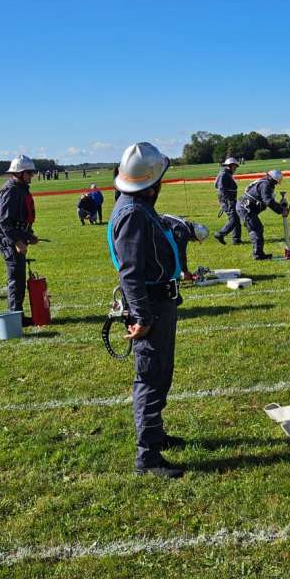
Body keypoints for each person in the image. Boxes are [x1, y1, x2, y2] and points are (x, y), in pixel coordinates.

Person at [108, 142, 185, 478]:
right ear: (152, 182)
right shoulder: (133, 212)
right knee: (151, 378)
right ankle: (148, 457)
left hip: (158, 301)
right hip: (150, 306)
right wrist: (142, 317)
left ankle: (156, 435)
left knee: (159, 373)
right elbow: (129, 273)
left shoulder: (136, 206)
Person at [0, 155, 39, 325]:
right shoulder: (10, 190)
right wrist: (17, 242)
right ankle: (15, 317)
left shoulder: (21, 187)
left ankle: (17, 315)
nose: (31, 176)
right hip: (10, 240)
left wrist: (28, 235)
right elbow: (4, 221)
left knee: (19, 278)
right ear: (20, 173)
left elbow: (21, 217)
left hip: (18, 237)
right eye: (29, 173)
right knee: (16, 280)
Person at [237, 169, 287, 260]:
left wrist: (279, 206)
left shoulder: (264, 182)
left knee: (257, 228)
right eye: (275, 182)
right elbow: (268, 201)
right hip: (245, 208)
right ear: (272, 179)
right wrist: (280, 210)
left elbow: (267, 199)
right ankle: (258, 255)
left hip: (245, 206)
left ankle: (259, 254)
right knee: (256, 229)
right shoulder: (266, 185)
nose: (275, 184)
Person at [161, 215, 209, 279]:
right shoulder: (184, 232)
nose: (193, 241)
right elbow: (181, 253)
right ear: (195, 235)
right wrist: (185, 271)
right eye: (195, 240)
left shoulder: (186, 225)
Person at [213, 156, 242, 245]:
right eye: (234, 166)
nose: (235, 168)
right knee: (234, 220)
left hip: (230, 200)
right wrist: (229, 201)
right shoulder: (223, 174)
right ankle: (220, 234)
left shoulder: (227, 174)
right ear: (229, 165)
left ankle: (236, 239)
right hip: (228, 200)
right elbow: (222, 189)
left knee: (236, 219)